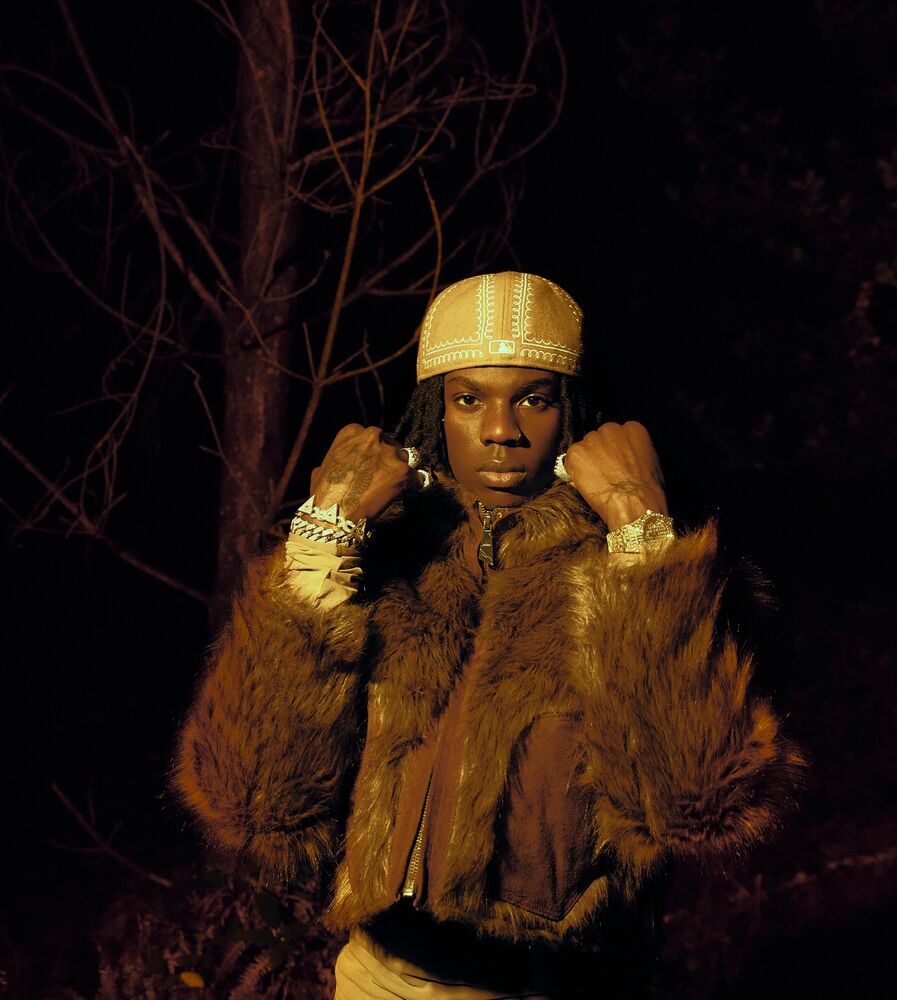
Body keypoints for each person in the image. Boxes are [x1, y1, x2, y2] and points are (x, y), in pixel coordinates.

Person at [173, 271, 804, 998]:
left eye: (533, 398)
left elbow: (697, 805)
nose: (502, 431)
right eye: (469, 399)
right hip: (377, 977)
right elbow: (255, 804)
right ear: (435, 411)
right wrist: (322, 539)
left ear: (573, 412)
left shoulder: (635, 566)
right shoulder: (386, 553)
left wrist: (642, 534)